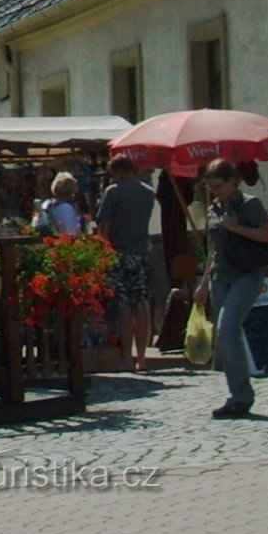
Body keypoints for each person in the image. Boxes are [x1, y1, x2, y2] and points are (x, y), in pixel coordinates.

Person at [194, 159, 268, 418]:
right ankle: (238, 395)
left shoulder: (249, 204)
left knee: (227, 329)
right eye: (210, 187)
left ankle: (242, 397)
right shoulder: (212, 209)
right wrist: (202, 283)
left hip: (246, 274)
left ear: (233, 182)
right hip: (219, 276)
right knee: (225, 337)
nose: (215, 191)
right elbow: (212, 248)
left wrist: (235, 227)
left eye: (219, 186)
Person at [95, 155, 158, 373]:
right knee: (141, 305)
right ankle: (142, 357)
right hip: (141, 254)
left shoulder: (113, 192)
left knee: (123, 306)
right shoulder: (148, 193)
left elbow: (105, 226)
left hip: (119, 253)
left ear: (120, 171)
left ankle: (126, 358)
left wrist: (102, 253)